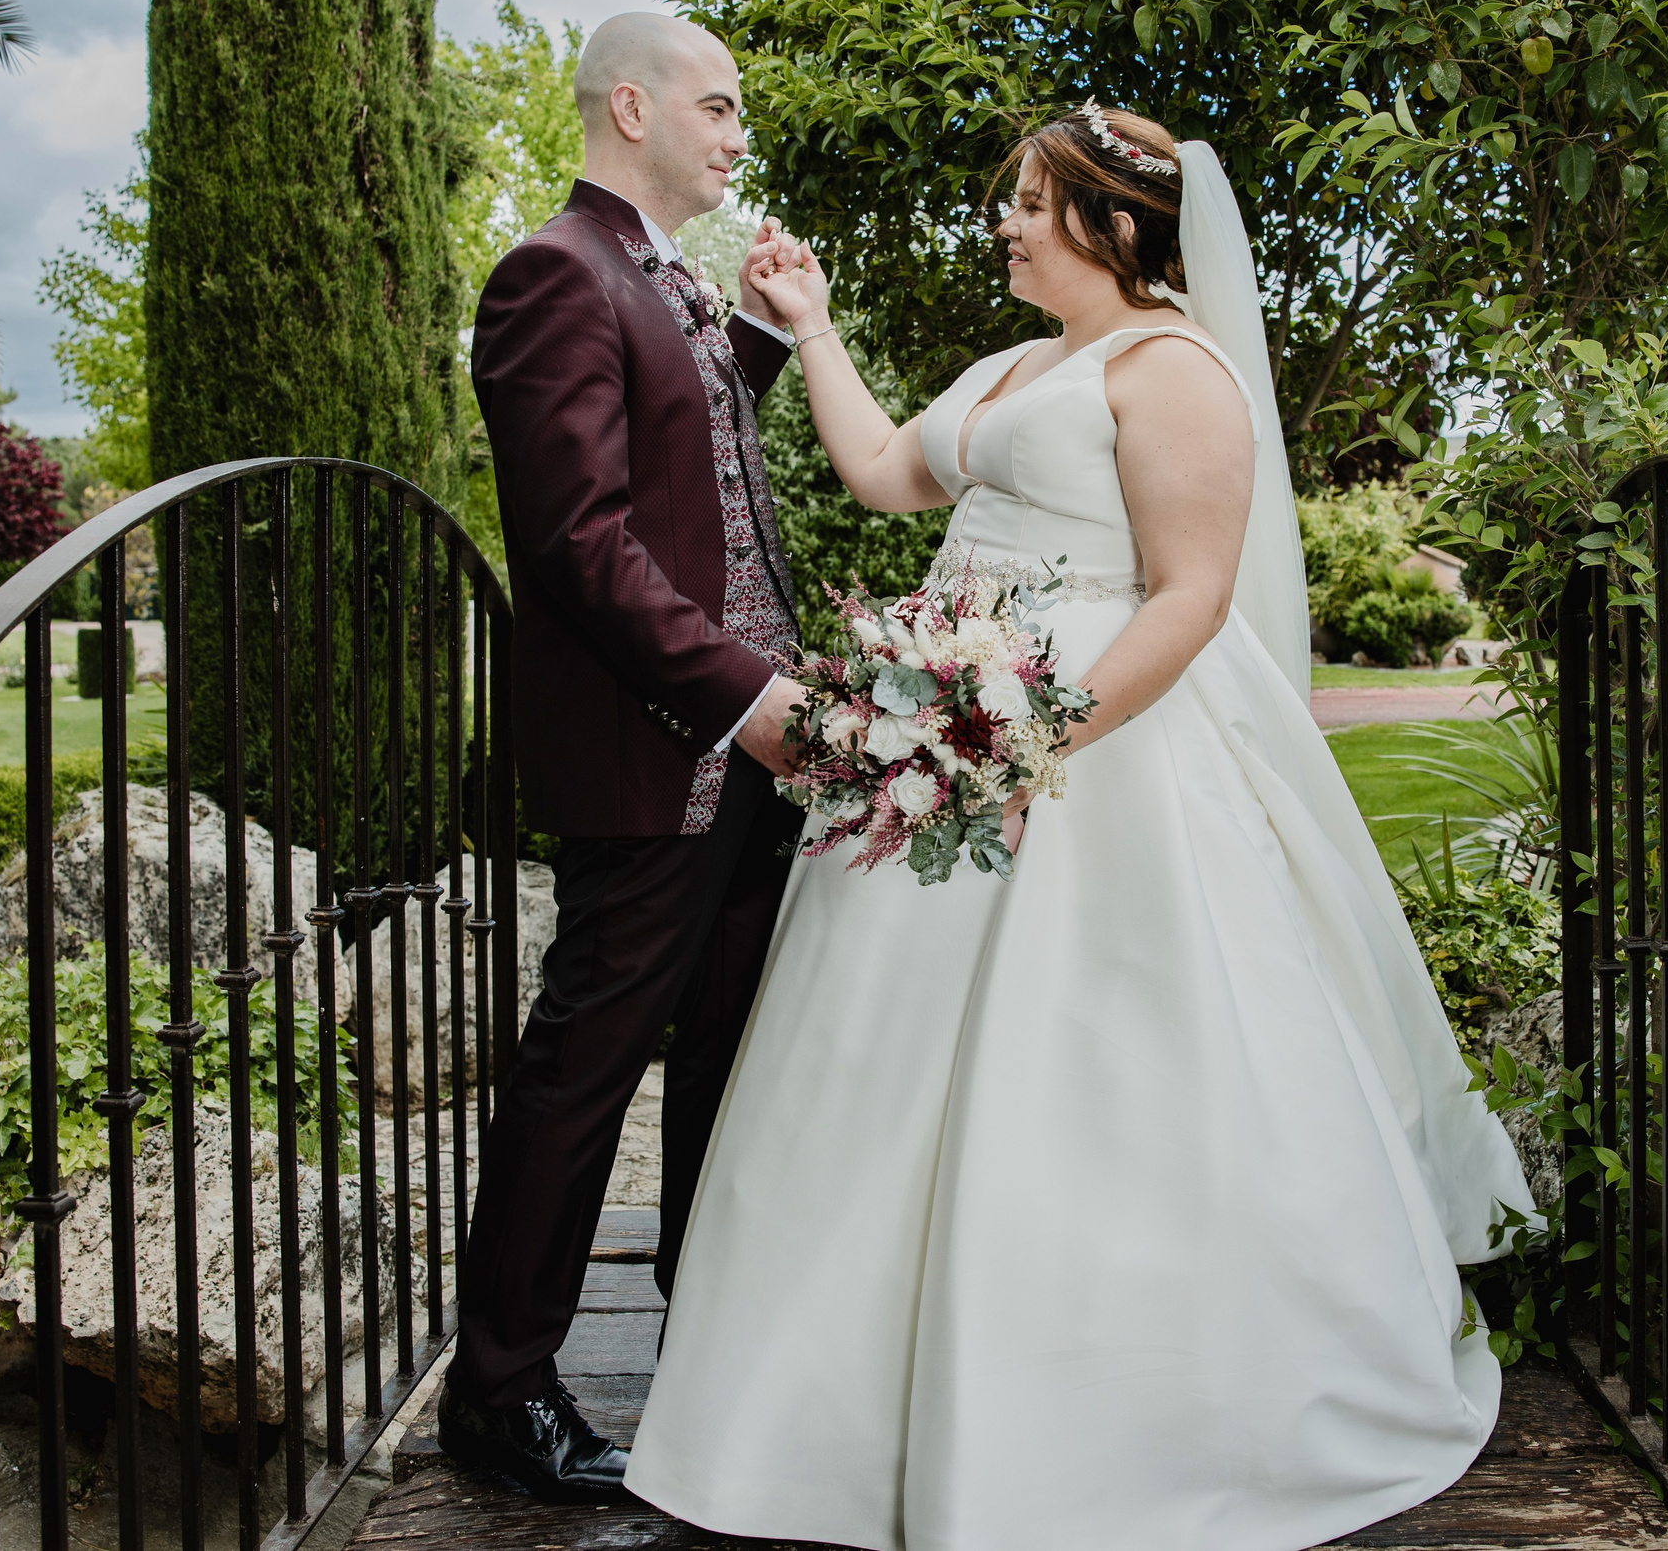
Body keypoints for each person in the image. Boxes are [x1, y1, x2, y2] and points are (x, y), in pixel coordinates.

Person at [623, 105, 1535, 1549]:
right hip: (953, 748)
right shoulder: (1011, 367)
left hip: (1100, 755)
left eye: (1036, 202)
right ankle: (828, 1412)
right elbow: (879, 471)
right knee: (868, 1077)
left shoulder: (1175, 370)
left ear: (1117, 226)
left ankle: (1121, 1410)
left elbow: (1187, 596)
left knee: (1112, 1068)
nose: (1007, 221)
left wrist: (1032, 737)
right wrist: (808, 325)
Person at [437, 11, 812, 1499]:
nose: (737, 134)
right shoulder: (552, 272)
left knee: (728, 1054)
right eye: (719, 108)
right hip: (660, 757)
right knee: (583, 1069)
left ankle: (706, 1333)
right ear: (634, 106)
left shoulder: (666, 280)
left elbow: (686, 471)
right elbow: (581, 545)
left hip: (745, 762)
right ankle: (500, 1387)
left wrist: (766, 339)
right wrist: (743, 698)